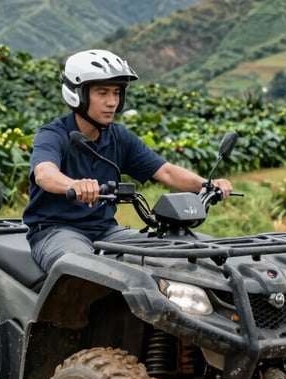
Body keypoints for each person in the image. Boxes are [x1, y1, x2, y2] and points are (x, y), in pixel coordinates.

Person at [23, 49, 233, 271]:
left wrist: (207, 184)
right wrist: (73, 184)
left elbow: (166, 172)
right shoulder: (53, 134)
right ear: (78, 94)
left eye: (116, 93)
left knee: (180, 251)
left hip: (106, 231)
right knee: (82, 270)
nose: (112, 102)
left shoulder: (119, 137)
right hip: (55, 231)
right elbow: (44, 173)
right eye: (102, 93)